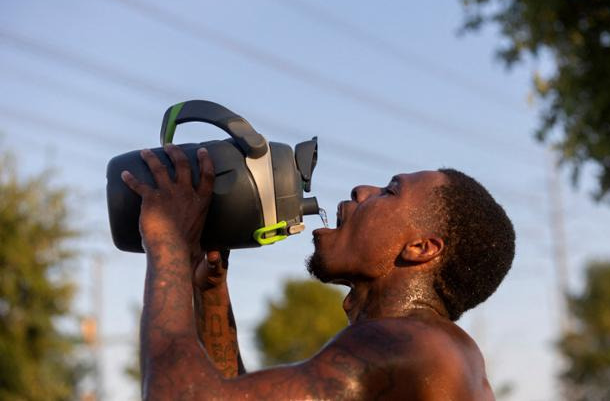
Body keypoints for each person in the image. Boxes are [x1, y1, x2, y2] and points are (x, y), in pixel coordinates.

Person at [121, 144, 515, 400]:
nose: (362, 190)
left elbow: (179, 396)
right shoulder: (431, 347)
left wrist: (167, 243)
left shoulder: (404, 343)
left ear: (421, 248)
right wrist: (211, 292)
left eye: (390, 191)